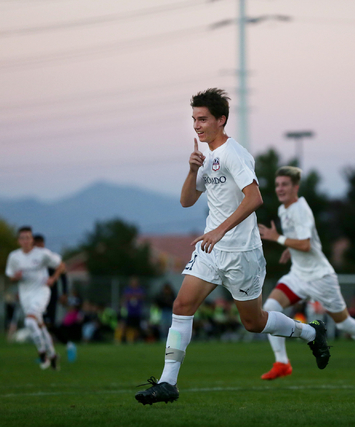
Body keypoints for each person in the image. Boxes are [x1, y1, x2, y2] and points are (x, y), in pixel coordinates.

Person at [135, 88, 330, 405]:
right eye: (194, 119)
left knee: (254, 323)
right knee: (182, 306)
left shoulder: (233, 154)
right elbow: (186, 201)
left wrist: (219, 230)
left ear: (221, 120)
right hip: (211, 252)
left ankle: (311, 333)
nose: (197, 126)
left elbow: (255, 198)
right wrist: (192, 169)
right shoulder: (209, 157)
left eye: (203, 119)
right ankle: (168, 383)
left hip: (242, 254)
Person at [258, 166, 355, 382]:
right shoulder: (284, 209)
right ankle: (282, 362)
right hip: (298, 275)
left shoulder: (301, 209)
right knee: (271, 307)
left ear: (295, 187)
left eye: (285, 185)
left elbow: (307, 244)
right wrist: (290, 249)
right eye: (278, 184)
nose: (280, 188)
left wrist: (278, 238)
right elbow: (300, 240)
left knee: (344, 323)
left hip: (320, 277)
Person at [5, 226, 66, 370]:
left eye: (28, 237)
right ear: (18, 240)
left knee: (29, 321)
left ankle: (42, 354)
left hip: (41, 292)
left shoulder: (42, 254)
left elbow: (61, 265)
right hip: (25, 295)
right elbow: (10, 276)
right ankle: (53, 355)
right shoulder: (14, 257)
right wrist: (16, 277)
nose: (25, 240)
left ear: (32, 240)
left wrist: (53, 278)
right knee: (39, 325)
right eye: (22, 238)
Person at [33, 234, 68, 330]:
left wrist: (65, 292)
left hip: (51, 292)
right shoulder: (32, 259)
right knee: (37, 315)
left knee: (50, 316)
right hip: (36, 292)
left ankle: (49, 336)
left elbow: (63, 271)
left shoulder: (50, 257)